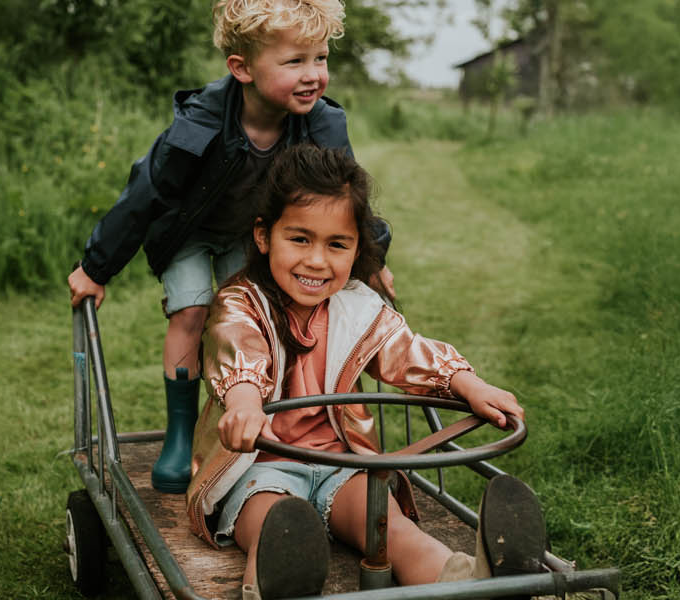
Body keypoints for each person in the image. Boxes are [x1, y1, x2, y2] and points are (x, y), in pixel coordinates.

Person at [186, 145, 548, 599]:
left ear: (357, 248)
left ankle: (476, 583)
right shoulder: (242, 302)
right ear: (264, 236)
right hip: (263, 465)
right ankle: (279, 581)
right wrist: (243, 404)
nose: (318, 261)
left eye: (336, 245)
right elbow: (237, 350)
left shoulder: (356, 306)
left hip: (342, 464)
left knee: (391, 529)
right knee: (272, 525)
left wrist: (467, 383)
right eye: (300, 239)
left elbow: (406, 351)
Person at [64, 0, 393, 495]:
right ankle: (179, 436)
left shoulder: (321, 124)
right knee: (192, 314)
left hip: (251, 235)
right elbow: (146, 191)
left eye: (320, 58)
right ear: (241, 68)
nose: (313, 76)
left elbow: (342, 199)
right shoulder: (200, 123)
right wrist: (95, 267)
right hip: (188, 233)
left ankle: (247, 422)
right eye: (294, 62)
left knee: (256, 318)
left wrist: (372, 262)